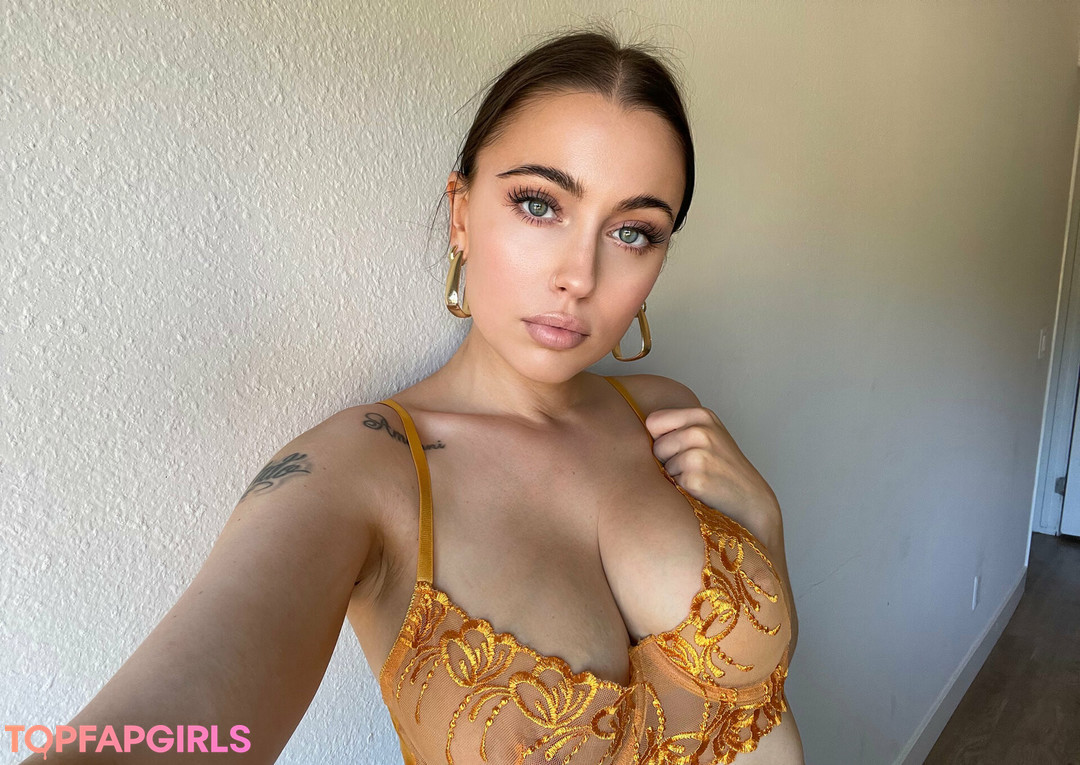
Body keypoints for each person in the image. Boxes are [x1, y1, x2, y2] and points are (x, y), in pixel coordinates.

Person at [19, 26, 803, 765]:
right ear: (461, 213)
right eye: (540, 204)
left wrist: (764, 524)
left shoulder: (665, 413)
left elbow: (755, 697)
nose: (580, 276)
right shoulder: (360, 474)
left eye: (633, 231)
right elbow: (177, 715)